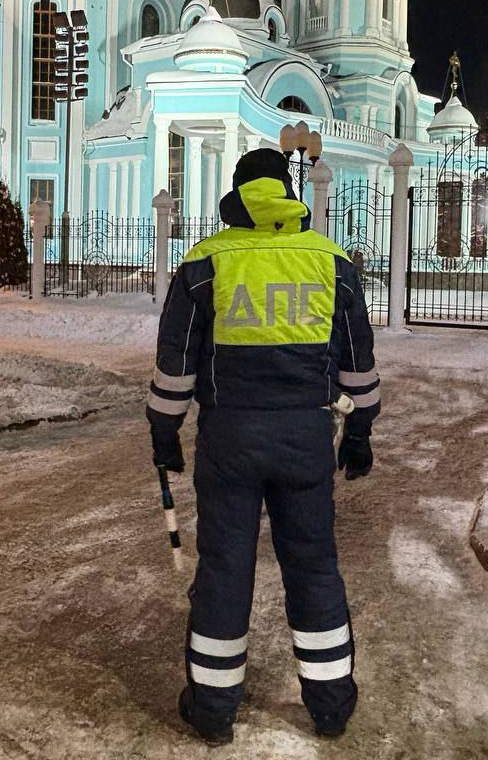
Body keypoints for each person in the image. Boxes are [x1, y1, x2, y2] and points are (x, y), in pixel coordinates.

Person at [147, 149, 381, 745]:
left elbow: (176, 367)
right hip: (306, 440)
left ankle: (212, 711)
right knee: (314, 565)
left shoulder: (204, 264)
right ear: (287, 192)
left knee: (224, 569)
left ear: (237, 197)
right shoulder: (332, 264)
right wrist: (359, 432)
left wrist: (164, 432)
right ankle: (330, 706)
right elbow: (357, 365)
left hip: (229, 441)